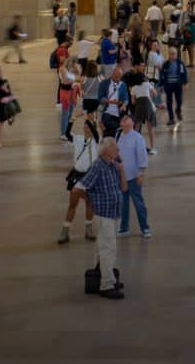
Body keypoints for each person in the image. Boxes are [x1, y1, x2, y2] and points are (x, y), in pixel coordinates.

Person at [77, 137, 127, 298]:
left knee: (103, 247)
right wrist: (91, 201)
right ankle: (106, 284)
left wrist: (121, 169)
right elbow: (78, 188)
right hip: (104, 214)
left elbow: (124, 187)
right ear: (107, 150)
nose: (118, 150)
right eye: (115, 148)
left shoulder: (112, 165)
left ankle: (105, 275)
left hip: (114, 213)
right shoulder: (98, 166)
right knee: (108, 249)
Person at [58, 118, 99, 244]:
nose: (86, 128)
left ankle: (89, 229)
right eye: (85, 126)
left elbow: (95, 133)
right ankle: (65, 231)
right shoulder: (78, 139)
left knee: (90, 204)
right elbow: (67, 133)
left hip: (90, 176)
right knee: (73, 203)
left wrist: (90, 119)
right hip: (77, 176)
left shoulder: (97, 140)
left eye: (89, 126)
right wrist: (72, 119)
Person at [116, 115, 151, 238]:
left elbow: (142, 155)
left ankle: (145, 228)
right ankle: (124, 228)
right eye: (123, 120)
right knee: (123, 204)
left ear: (131, 123)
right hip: (122, 177)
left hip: (134, 177)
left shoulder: (137, 137)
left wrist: (141, 173)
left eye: (127, 120)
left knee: (138, 203)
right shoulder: (119, 136)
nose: (124, 122)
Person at [99, 65, 129, 138]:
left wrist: (124, 105)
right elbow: (100, 98)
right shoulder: (104, 83)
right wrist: (110, 101)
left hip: (118, 112)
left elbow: (126, 98)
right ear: (112, 74)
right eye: (116, 76)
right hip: (107, 111)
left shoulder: (123, 85)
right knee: (109, 124)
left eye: (119, 77)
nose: (117, 79)